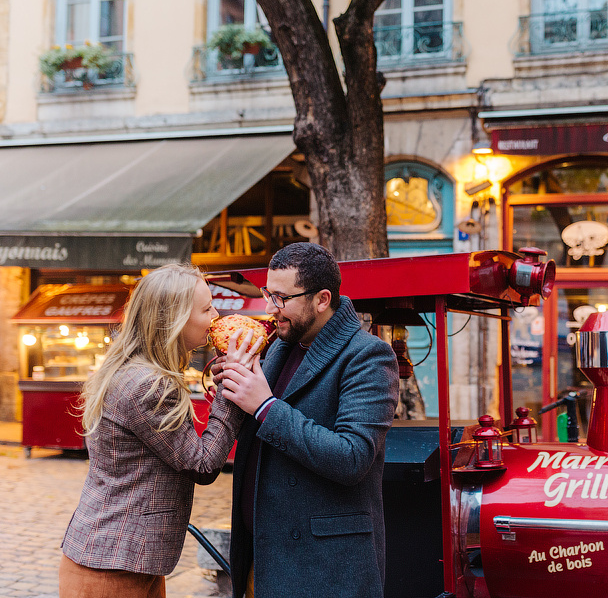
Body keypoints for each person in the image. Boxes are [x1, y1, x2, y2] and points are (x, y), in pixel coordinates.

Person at [59, 263, 254, 598]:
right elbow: (202, 465)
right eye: (206, 308)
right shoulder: (150, 385)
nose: (216, 315)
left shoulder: (134, 369)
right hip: (115, 566)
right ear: (174, 318)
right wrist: (231, 392)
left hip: (125, 558)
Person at [218, 242, 400, 598]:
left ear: (321, 299)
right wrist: (232, 387)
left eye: (282, 298)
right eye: (269, 294)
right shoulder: (277, 346)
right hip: (264, 557)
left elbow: (352, 457)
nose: (270, 308)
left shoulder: (369, 356)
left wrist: (265, 406)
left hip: (325, 570)